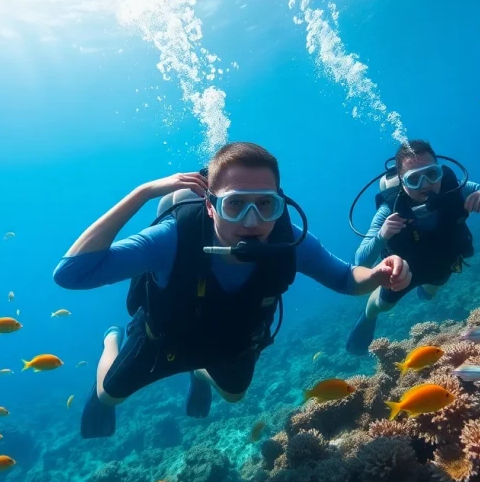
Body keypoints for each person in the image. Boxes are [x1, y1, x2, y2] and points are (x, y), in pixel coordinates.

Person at [53, 141, 412, 438]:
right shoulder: (173, 239)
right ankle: (111, 339)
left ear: (280, 205)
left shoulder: (290, 242)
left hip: (229, 341)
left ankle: (200, 372)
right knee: (108, 395)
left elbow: (347, 280)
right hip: (164, 338)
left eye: (265, 204)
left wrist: (379, 273)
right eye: (235, 204)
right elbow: (71, 274)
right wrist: (143, 193)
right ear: (210, 207)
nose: (252, 222)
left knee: (235, 396)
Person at [345, 139, 480, 355]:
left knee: (431, 291)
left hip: (444, 262)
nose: (425, 184)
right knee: (383, 306)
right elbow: (361, 262)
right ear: (402, 182)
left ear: (440, 171)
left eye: (432, 174)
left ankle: (424, 291)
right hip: (402, 272)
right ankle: (369, 316)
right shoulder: (390, 209)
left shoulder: (459, 191)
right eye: (414, 179)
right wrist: (382, 235)